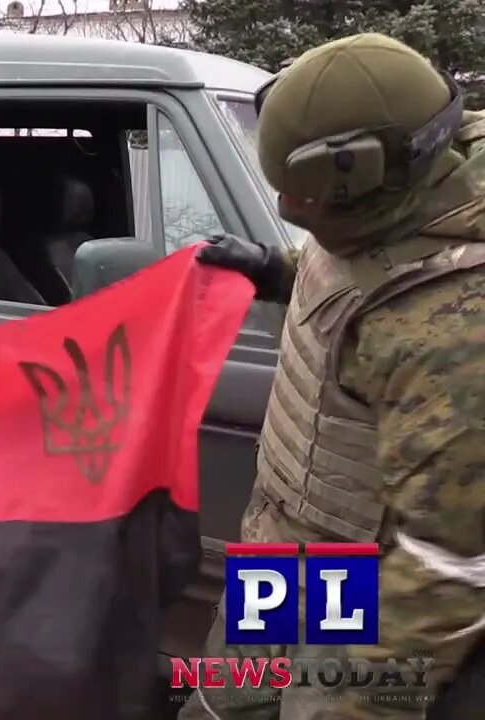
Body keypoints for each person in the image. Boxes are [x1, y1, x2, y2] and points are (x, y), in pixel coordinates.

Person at [180, 33, 485, 719]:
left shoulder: (460, 330)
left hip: (364, 582)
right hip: (292, 547)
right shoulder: (403, 194)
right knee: (223, 704)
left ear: (358, 176)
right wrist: (272, 268)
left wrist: (357, 704)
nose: (296, 207)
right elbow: (361, 276)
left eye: (306, 199)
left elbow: (448, 568)